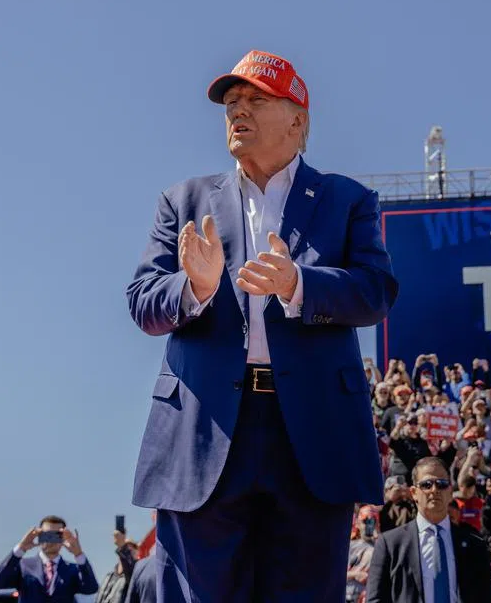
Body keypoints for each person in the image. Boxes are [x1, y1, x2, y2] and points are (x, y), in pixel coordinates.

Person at [126, 49, 398, 602]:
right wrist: (194, 288)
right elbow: (142, 302)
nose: (237, 111)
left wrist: (298, 282)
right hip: (204, 431)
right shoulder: (183, 201)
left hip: (309, 434)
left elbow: (375, 293)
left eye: (255, 99)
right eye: (231, 102)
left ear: (298, 119)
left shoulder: (348, 201)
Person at [365, 457, 491, 603]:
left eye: (442, 484)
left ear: (450, 491)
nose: (435, 490)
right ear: (414, 492)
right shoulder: (390, 544)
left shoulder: (474, 544)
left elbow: (488, 597)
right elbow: (375, 599)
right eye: (426, 485)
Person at [0, 516, 98, 603]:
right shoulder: (24, 565)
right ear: (39, 536)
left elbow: (91, 588)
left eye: (56, 535)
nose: (51, 540)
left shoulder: (72, 569)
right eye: (46, 535)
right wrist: (20, 549)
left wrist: (78, 554)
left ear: (63, 538)